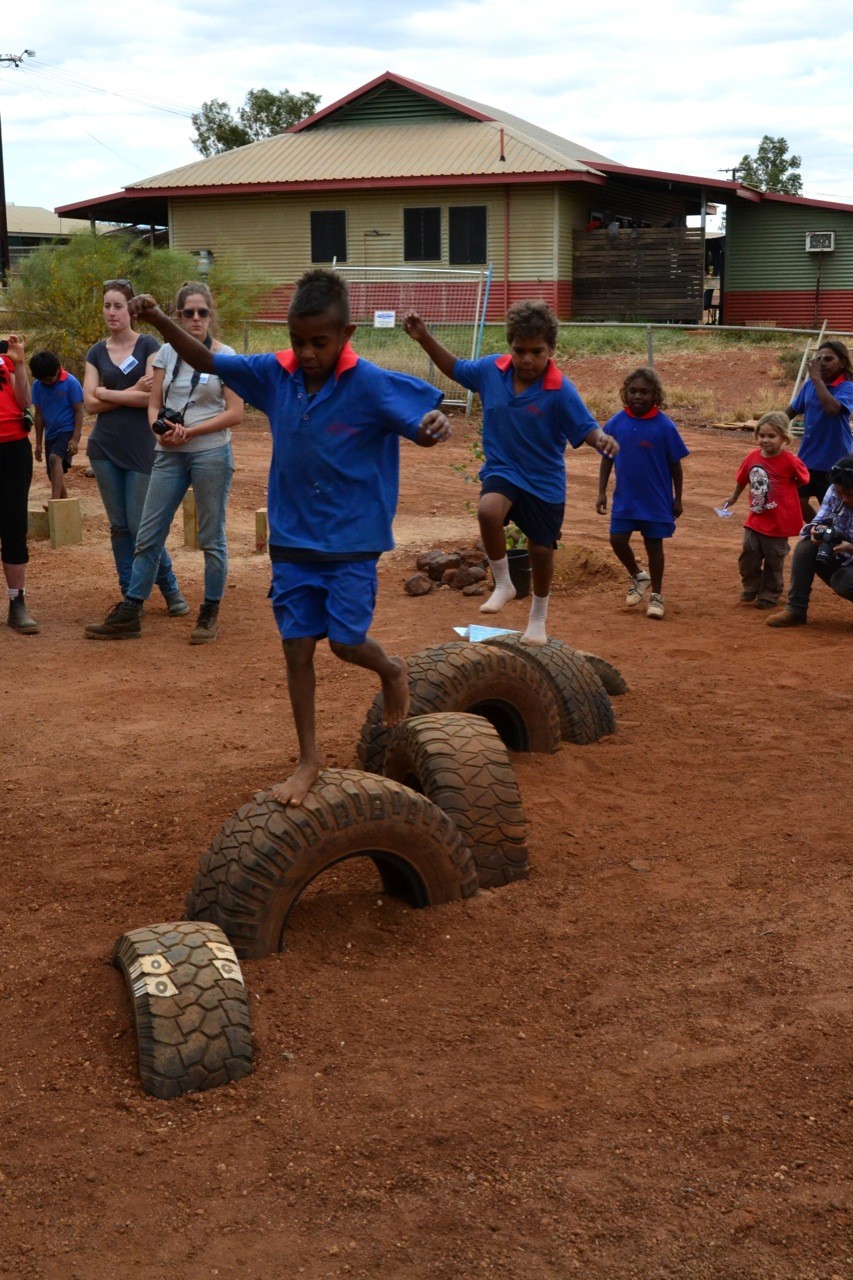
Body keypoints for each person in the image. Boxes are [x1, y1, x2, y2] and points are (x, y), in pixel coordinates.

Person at [125, 268, 451, 804]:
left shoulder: (369, 382)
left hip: (351, 541)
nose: (307, 352)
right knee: (296, 648)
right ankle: (308, 758)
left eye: (319, 342)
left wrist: (434, 426)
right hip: (294, 540)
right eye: (298, 341)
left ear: (346, 334)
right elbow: (207, 359)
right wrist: (160, 316)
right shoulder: (276, 374)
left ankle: (390, 667)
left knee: (346, 643)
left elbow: (427, 418)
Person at [403, 299, 617, 645]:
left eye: (537, 351)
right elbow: (455, 368)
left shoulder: (560, 389)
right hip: (503, 469)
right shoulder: (491, 371)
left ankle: (538, 617)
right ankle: (503, 583)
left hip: (544, 480)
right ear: (510, 347)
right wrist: (424, 337)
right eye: (519, 350)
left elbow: (586, 427)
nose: (527, 359)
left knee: (541, 551)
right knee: (488, 511)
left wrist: (602, 439)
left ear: (552, 349)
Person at [85, 282, 243, 644]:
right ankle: (132, 609)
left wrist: (192, 431)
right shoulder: (166, 355)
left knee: (211, 537)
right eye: (188, 312)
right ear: (178, 316)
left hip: (210, 452)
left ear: (211, 315)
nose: (196, 319)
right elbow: (153, 402)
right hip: (168, 453)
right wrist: (159, 434)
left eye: (202, 312)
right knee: (148, 532)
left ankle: (209, 612)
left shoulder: (226, 356)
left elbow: (235, 413)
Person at [83, 278, 186, 613]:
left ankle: (170, 589)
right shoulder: (96, 352)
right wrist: (129, 394)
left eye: (118, 306)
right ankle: (131, 597)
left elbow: (153, 398)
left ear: (131, 309)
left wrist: (108, 392)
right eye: (107, 306)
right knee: (118, 526)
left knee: (142, 525)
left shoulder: (148, 345)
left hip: (142, 447)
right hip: (104, 449)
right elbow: (89, 404)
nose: (111, 312)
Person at [595, 366, 688, 620]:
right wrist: (601, 491)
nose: (638, 396)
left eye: (644, 392)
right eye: (633, 391)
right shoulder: (616, 422)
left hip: (656, 499)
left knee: (653, 546)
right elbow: (606, 458)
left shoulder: (665, 426)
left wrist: (677, 498)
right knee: (617, 539)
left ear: (655, 395)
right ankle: (638, 575)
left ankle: (657, 596)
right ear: (625, 393)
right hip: (625, 497)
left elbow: (675, 465)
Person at [722, 411, 809, 609]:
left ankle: (770, 594)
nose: (765, 440)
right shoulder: (752, 457)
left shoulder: (791, 461)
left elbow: (804, 480)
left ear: (784, 438)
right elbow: (742, 478)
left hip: (779, 521)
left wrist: (785, 496)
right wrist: (734, 497)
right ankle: (752, 585)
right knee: (748, 553)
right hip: (756, 517)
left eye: (772, 436)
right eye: (761, 435)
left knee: (774, 559)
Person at [766, 455, 853, 627]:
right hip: (844, 550)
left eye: (850, 494)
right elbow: (821, 518)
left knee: (846, 583)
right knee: (806, 547)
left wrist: (851, 547)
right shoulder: (835, 490)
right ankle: (795, 610)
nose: (844, 498)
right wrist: (815, 530)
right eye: (840, 493)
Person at [786, 340, 853, 520]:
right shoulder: (810, 386)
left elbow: (832, 409)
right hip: (808, 457)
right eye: (819, 358)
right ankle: (818, 529)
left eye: (829, 359)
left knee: (835, 508)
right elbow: (792, 410)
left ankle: (830, 538)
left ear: (843, 363)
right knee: (797, 502)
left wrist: (816, 379)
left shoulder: (847, 387)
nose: (822, 362)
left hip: (836, 460)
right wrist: (773, 425)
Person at [0, 334, 38, 634]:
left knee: (14, 526)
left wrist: (20, 364)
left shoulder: (6, 359)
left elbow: (25, 400)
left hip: (13, 449)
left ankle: (17, 604)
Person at [30, 350, 84, 502]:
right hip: (50, 434)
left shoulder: (71, 382)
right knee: (51, 473)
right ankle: (63, 505)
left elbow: (79, 412)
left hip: (67, 430)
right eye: (43, 380)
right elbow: (39, 415)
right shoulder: (37, 386)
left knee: (55, 459)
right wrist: (39, 444)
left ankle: (54, 502)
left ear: (58, 368)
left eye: (49, 378)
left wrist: (75, 438)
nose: (47, 382)